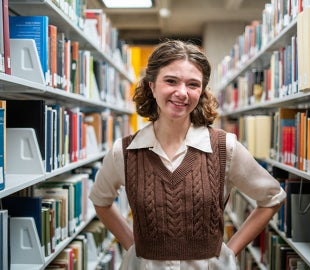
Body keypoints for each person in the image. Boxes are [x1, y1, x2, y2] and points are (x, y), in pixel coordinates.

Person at [89, 39, 286, 269]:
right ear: (152, 86)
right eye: (171, 81)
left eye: (193, 84)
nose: (182, 93)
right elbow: (100, 201)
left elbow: (272, 197)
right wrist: (134, 245)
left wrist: (230, 251)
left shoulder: (224, 148)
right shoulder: (124, 152)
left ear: (201, 91)